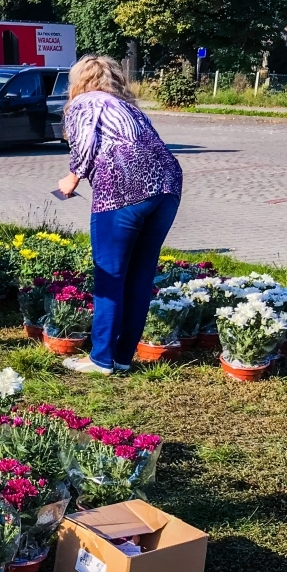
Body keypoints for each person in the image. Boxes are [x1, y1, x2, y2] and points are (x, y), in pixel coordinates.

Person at [57, 55, 183, 375]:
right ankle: (123, 357)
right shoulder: (128, 108)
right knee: (140, 277)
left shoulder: (85, 102)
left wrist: (74, 176)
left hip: (123, 192)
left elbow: (84, 141)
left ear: (79, 80)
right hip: (167, 189)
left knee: (110, 275)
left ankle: (101, 359)